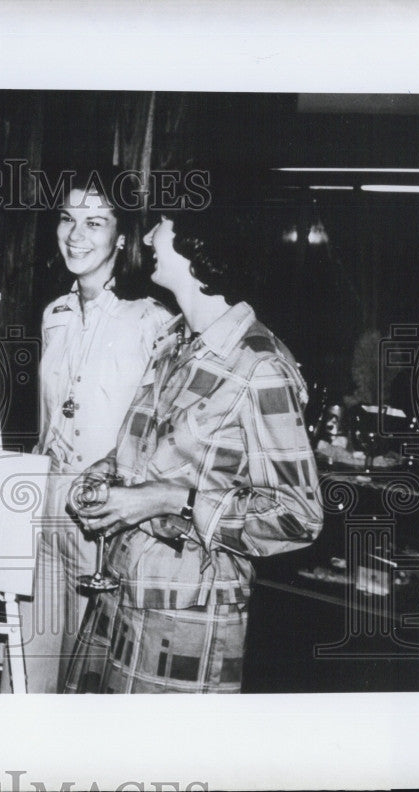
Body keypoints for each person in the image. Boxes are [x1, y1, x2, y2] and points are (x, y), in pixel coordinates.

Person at [64, 196, 323, 694]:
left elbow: (298, 516)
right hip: (121, 592)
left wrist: (171, 502)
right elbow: (142, 453)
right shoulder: (176, 340)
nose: (145, 239)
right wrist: (100, 477)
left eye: (160, 225)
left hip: (187, 617)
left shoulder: (260, 367)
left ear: (196, 243)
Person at [10, 170, 171, 693]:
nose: (76, 235)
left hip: (104, 516)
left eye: (95, 222)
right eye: (68, 219)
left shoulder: (152, 320)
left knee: (87, 677)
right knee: (27, 669)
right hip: (46, 506)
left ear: (121, 238)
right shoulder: (53, 314)